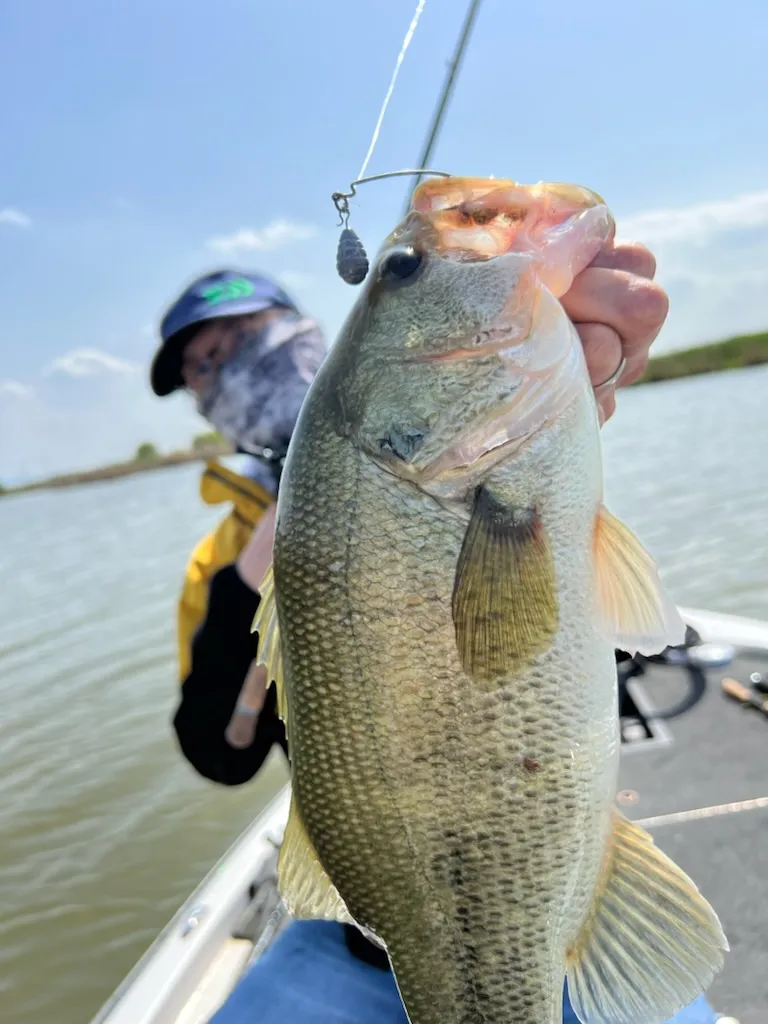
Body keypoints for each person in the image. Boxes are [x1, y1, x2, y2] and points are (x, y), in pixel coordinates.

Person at [151, 254, 720, 1024]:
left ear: (306, 333)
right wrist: (258, 565)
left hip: (549, 897)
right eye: (201, 368)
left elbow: (596, 633)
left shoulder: (491, 444)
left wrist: (553, 378)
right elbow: (218, 753)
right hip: (359, 919)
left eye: (242, 340)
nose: (222, 372)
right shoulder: (219, 557)